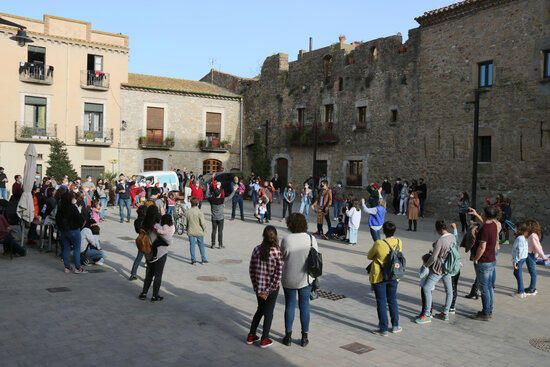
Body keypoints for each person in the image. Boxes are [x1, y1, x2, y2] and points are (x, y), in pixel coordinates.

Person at [281, 213, 318, 347]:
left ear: (290, 224)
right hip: (305, 278)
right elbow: (316, 258)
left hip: (289, 277)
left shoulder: (286, 239)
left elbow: (282, 256)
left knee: (289, 306)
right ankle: (304, 337)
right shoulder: (311, 239)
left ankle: (288, 336)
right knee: (305, 307)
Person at [246, 225, 283, 349]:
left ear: (263, 236)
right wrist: (269, 290)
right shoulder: (277, 251)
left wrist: (257, 287)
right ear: (275, 237)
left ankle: (251, 335)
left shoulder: (256, 249)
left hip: (259, 288)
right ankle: (264, 338)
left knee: (260, 310)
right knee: (268, 313)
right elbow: (278, 274)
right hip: (271, 289)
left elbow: (251, 270)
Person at [415, 220, 455, 324]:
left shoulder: (441, 240)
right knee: (449, 291)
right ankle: (445, 313)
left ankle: (427, 314)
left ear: (439, 229)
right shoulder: (452, 237)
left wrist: (425, 265)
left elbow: (433, 258)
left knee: (426, 288)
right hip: (448, 267)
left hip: (438, 268)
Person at [367, 221, 402, 336]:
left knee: (381, 302)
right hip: (393, 274)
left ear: (384, 231)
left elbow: (369, 256)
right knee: (392, 300)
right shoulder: (399, 242)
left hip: (379, 275)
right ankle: (396, 325)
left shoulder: (379, 243)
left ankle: (384, 328)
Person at [470, 206, 500, 321]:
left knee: (484, 288)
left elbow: (482, 247)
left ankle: (486, 313)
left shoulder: (485, 229)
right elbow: (485, 223)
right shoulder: (493, 225)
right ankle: (489, 309)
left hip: (484, 261)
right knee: (489, 287)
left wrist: (476, 259)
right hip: (492, 260)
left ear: (486, 215)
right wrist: (476, 214)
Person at [138, 206, 165, 302]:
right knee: (158, 275)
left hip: (148, 251)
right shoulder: (159, 224)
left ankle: (144, 293)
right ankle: (155, 295)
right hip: (161, 252)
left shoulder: (144, 224)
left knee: (149, 273)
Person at [56, 191, 86, 273]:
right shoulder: (73, 207)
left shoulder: (60, 208)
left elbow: (57, 220)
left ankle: (67, 267)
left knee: (66, 248)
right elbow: (80, 218)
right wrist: (80, 225)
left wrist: (61, 228)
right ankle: (78, 268)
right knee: (76, 249)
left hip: (64, 231)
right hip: (74, 230)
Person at [207, 179, 235, 249]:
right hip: (220, 218)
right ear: (220, 194)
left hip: (213, 218)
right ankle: (220, 244)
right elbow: (230, 197)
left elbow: (206, 195)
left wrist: (207, 188)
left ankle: (213, 244)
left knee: (213, 231)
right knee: (220, 231)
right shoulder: (222, 199)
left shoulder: (211, 199)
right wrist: (234, 190)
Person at [525, 219, 548, 296]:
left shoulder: (533, 235)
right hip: (531, 254)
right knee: (532, 272)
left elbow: (538, 247)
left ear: (531, 227)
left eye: (527, 225)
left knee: (533, 272)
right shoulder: (533, 234)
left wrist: (543, 257)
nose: (526, 227)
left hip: (530, 255)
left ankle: (532, 288)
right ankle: (532, 287)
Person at [183, 197, 208, 265]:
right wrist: (205, 230)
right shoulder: (200, 212)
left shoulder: (187, 212)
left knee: (192, 245)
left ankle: (193, 260)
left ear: (190, 203)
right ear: (197, 203)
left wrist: (186, 228)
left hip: (191, 231)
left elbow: (184, 223)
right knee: (201, 245)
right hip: (199, 231)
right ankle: (203, 259)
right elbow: (202, 223)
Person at [511, 222, 529, 298]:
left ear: (519, 229)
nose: (514, 229)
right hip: (522, 258)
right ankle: (521, 290)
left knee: (518, 273)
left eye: (515, 228)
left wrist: (515, 261)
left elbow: (520, 251)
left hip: (519, 259)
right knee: (517, 273)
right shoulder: (523, 237)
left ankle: (521, 292)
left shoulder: (519, 238)